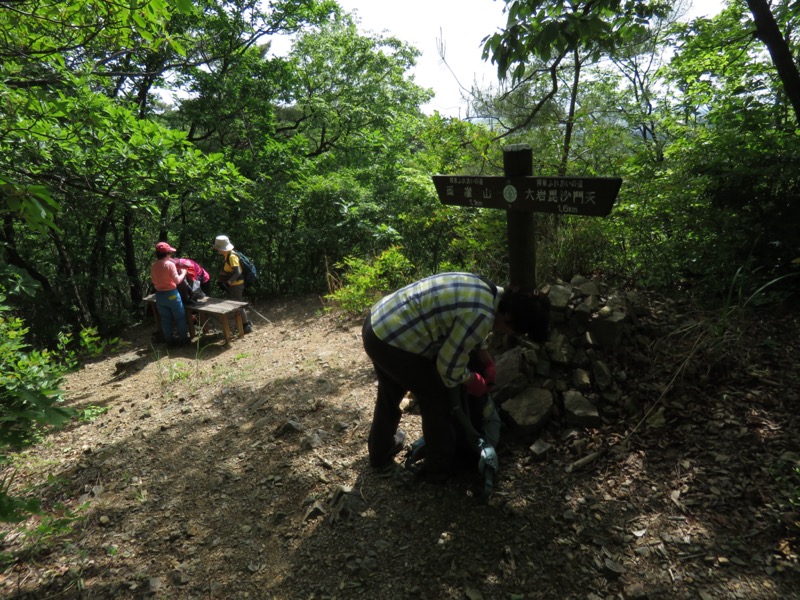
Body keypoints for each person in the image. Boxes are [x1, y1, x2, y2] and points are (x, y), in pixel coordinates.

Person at [362, 272, 551, 483]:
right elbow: (448, 367)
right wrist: (472, 380)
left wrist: (485, 357)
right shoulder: (481, 315)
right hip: (394, 339)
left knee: (391, 389)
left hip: (378, 323)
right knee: (437, 396)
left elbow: (462, 326)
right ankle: (438, 470)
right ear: (508, 317)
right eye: (512, 331)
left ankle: (380, 451)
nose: (507, 334)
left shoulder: (485, 288)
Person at [150, 241, 190, 345]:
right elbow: (177, 281)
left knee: (165, 319)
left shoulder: (154, 266)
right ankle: (184, 340)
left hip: (159, 295)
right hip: (171, 294)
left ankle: (169, 341)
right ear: (167, 253)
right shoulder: (170, 265)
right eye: (170, 253)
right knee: (180, 318)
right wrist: (184, 272)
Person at [213, 235, 253, 333]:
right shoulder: (227, 255)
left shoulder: (232, 256)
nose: (218, 250)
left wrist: (229, 282)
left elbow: (238, 272)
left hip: (236, 285)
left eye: (218, 248)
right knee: (237, 304)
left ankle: (245, 326)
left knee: (238, 305)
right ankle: (244, 324)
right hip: (234, 284)